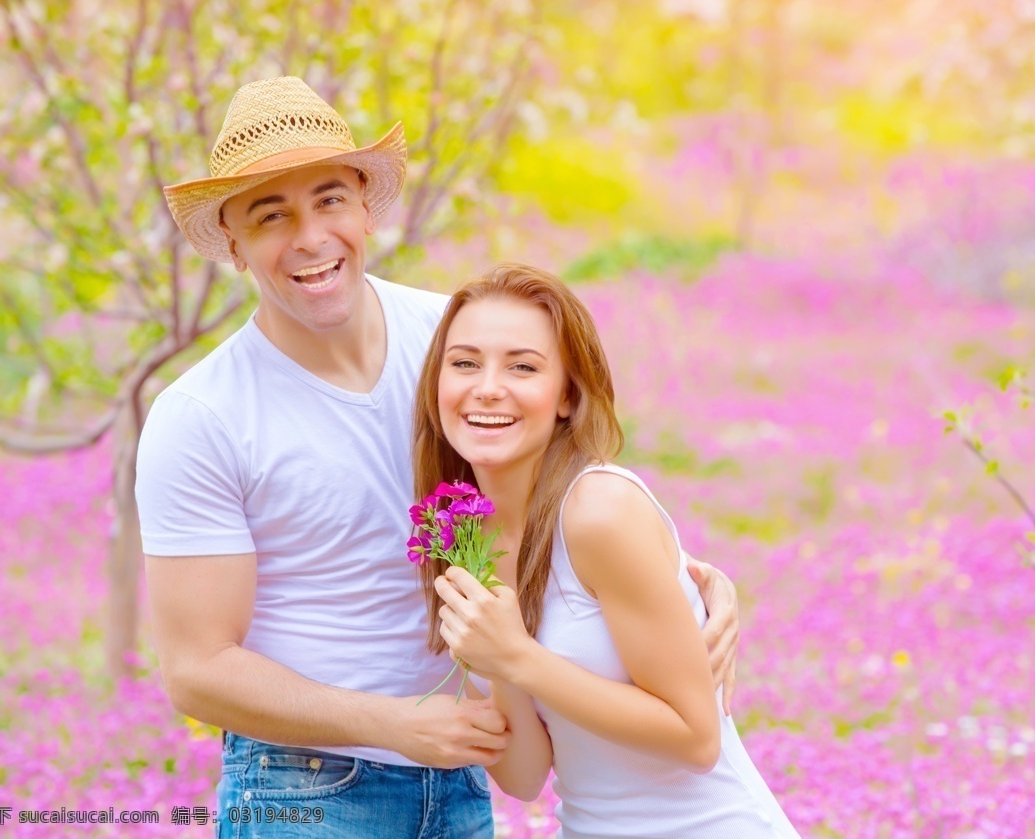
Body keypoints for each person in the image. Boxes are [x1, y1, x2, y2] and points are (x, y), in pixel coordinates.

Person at [138, 76, 741, 839]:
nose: (311, 237)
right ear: (233, 242)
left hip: (464, 772)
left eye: (329, 199)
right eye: (271, 214)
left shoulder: (455, 347)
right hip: (306, 786)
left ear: (365, 204)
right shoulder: (201, 416)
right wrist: (392, 724)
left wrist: (699, 589)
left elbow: (570, 502)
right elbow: (196, 668)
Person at [416, 264, 801, 838]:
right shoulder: (467, 540)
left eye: (523, 366)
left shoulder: (599, 510)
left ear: (567, 395)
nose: (488, 386)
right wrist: (488, 664)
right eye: (465, 363)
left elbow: (696, 738)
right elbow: (524, 775)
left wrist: (518, 656)